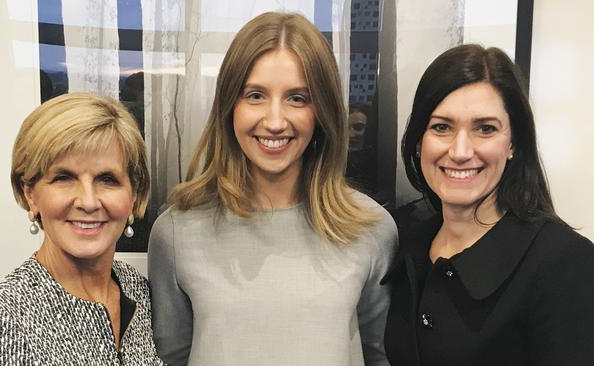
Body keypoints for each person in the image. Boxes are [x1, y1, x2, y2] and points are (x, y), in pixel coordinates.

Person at [148, 12, 397, 366]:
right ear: (229, 105)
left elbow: (380, 357)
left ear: (322, 110)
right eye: (255, 95)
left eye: (297, 98)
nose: (276, 121)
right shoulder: (176, 232)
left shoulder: (372, 229)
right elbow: (170, 358)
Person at [382, 44, 594, 366]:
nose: (461, 151)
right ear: (418, 140)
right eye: (442, 127)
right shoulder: (404, 239)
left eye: (485, 129)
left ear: (513, 143)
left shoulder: (563, 262)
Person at [0, 93, 165, 365]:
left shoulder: (137, 290)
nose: (87, 201)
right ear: (30, 194)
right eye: (64, 178)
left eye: (107, 179)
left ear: (133, 195)